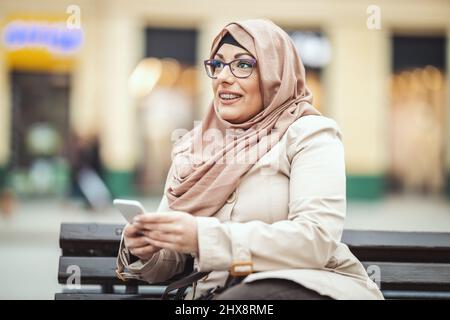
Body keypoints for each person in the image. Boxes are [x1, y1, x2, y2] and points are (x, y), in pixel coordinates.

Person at [116, 19, 384, 300]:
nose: (223, 77)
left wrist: (202, 237)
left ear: (275, 75)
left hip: (305, 289)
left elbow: (316, 241)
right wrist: (146, 248)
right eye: (217, 65)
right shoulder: (195, 147)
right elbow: (172, 262)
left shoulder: (309, 133)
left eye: (243, 65)